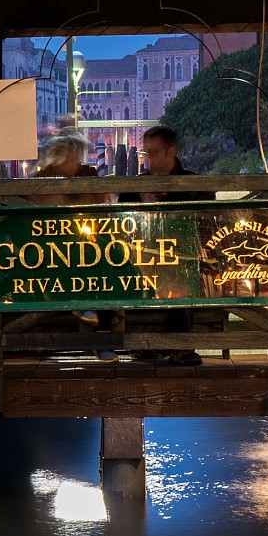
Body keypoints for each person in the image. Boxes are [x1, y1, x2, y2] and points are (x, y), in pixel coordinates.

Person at [119, 125, 200, 362]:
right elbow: (121, 225)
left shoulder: (192, 184)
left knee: (179, 275)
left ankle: (177, 346)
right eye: (146, 152)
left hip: (182, 259)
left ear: (170, 151)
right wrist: (142, 206)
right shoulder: (136, 186)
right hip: (141, 259)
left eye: (153, 152)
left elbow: (201, 224)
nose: (148, 158)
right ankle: (155, 344)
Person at [27, 134, 107, 205]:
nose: (71, 162)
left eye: (74, 158)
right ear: (56, 160)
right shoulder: (43, 178)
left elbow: (101, 202)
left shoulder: (88, 175)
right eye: (67, 158)